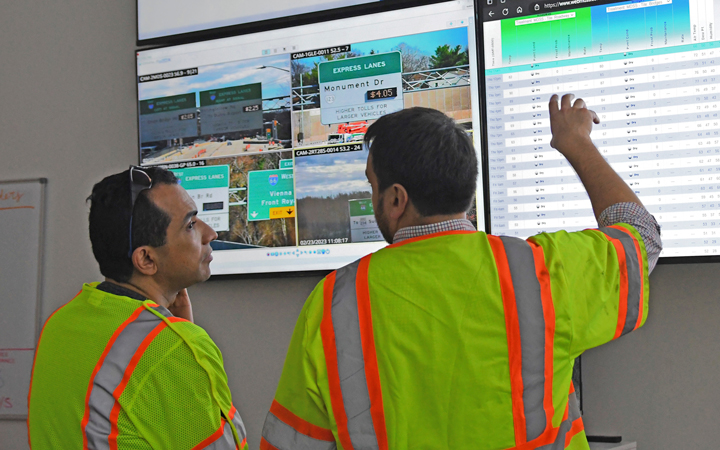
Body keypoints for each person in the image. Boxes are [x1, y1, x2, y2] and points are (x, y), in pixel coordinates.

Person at [260, 95, 662, 450]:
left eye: (372, 186)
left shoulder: (332, 304)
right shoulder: (542, 271)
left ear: (396, 199)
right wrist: (577, 144)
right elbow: (642, 238)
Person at [27, 167, 248, 449]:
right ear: (145, 259)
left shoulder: (60, 323)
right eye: (190, 225)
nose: (211, 233)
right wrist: (182, 341)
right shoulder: (174, 347)